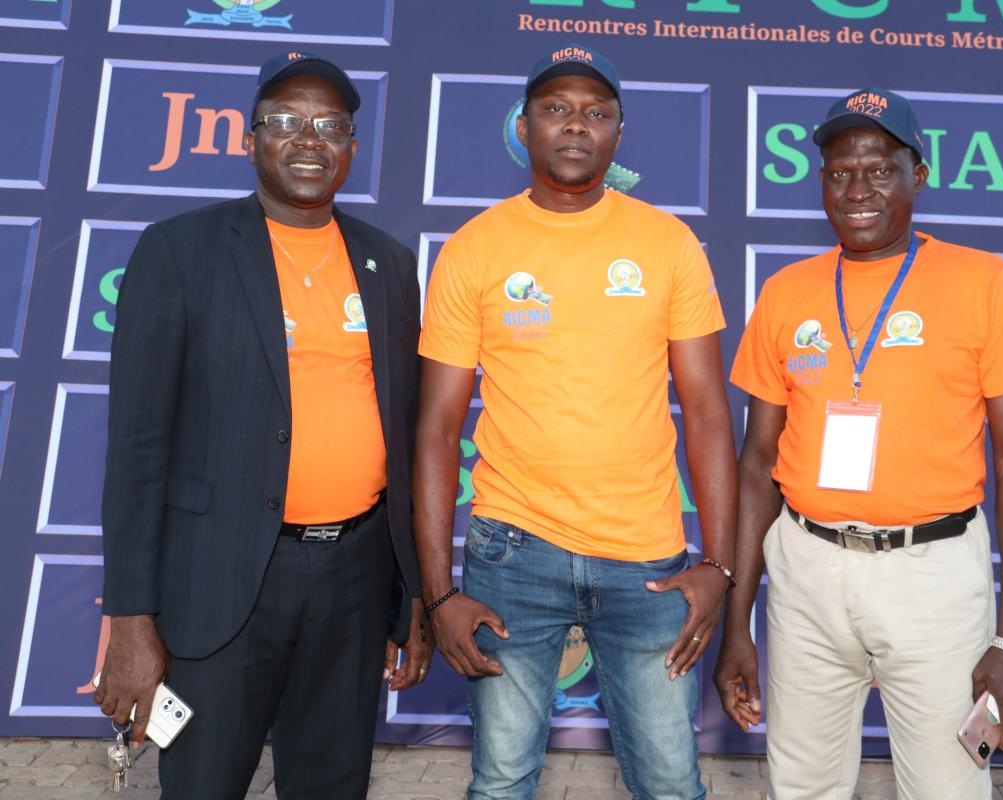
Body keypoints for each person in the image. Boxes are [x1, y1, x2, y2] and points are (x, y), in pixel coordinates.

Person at [95, 51, 432, 800]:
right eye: (285, 121)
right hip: (220, 580)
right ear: (250, 140)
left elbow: (405, 439)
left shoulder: (389, 264)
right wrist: (131, 620)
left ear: (352, 147)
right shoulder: (179, 250)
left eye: (330, 125)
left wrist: (408, 594)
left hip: (354, 577)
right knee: (204, 783)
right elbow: (137, 450)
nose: (309, 139)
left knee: (332, 784)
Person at [414, 44, 737, 799]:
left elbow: (708, 413)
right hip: (512, 553)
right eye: (556, 108)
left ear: (618, 132)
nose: (575, 124)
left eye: (596, 112)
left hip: (647, 561)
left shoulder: (667, 242)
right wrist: (438, 594)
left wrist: (719, 565)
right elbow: (435, 427)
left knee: (671, 784)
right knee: (500, 782)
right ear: (524, 125)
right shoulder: (475, 247)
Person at [714, 87, 1003, 799]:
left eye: (879, 170)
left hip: (932, 573)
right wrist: (735, 622)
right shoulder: (786, 291)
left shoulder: (984, 282)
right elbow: (756, 464)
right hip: (805, 569)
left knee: (947, 788)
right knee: (800, 786)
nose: (858, 191)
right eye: (839, 173)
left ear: (917, 175)